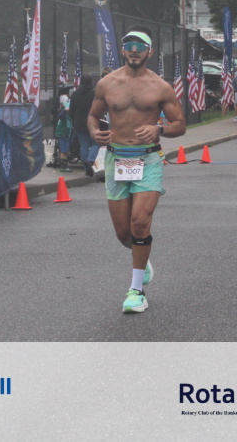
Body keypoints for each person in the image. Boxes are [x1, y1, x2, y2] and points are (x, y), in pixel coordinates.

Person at [89, 27, 186, 314]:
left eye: (140, 46)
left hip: (148, 159)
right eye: (129, 45)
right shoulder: (107, 83)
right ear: (123, 50)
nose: (134, 50)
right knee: (124, 233)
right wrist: (95, 132)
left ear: (150, 52)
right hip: (116, 159)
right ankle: (141, 259)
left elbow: (179, 124)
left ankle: (136, 291)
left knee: (140, 222)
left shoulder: (160, 87)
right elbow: (93, 116)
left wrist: (159, 129)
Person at [69, 74, 99, 176]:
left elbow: (71, 111)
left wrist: (74, 119)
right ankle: (90, 160)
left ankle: (86, 167)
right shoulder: (94, 94)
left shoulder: (75, 94)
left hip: (79, 122)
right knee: (95, 143)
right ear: (91, 82)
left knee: (84, 145)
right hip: (92, 122)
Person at [55, 88, 73, 172]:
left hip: (64, 134)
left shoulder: (66, 116)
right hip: (63, 134)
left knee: (64, 150)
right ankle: (63, 166)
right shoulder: (64, 115)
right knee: (64, 151)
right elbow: (61, 116)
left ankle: (63, 165)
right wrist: (66, 109)